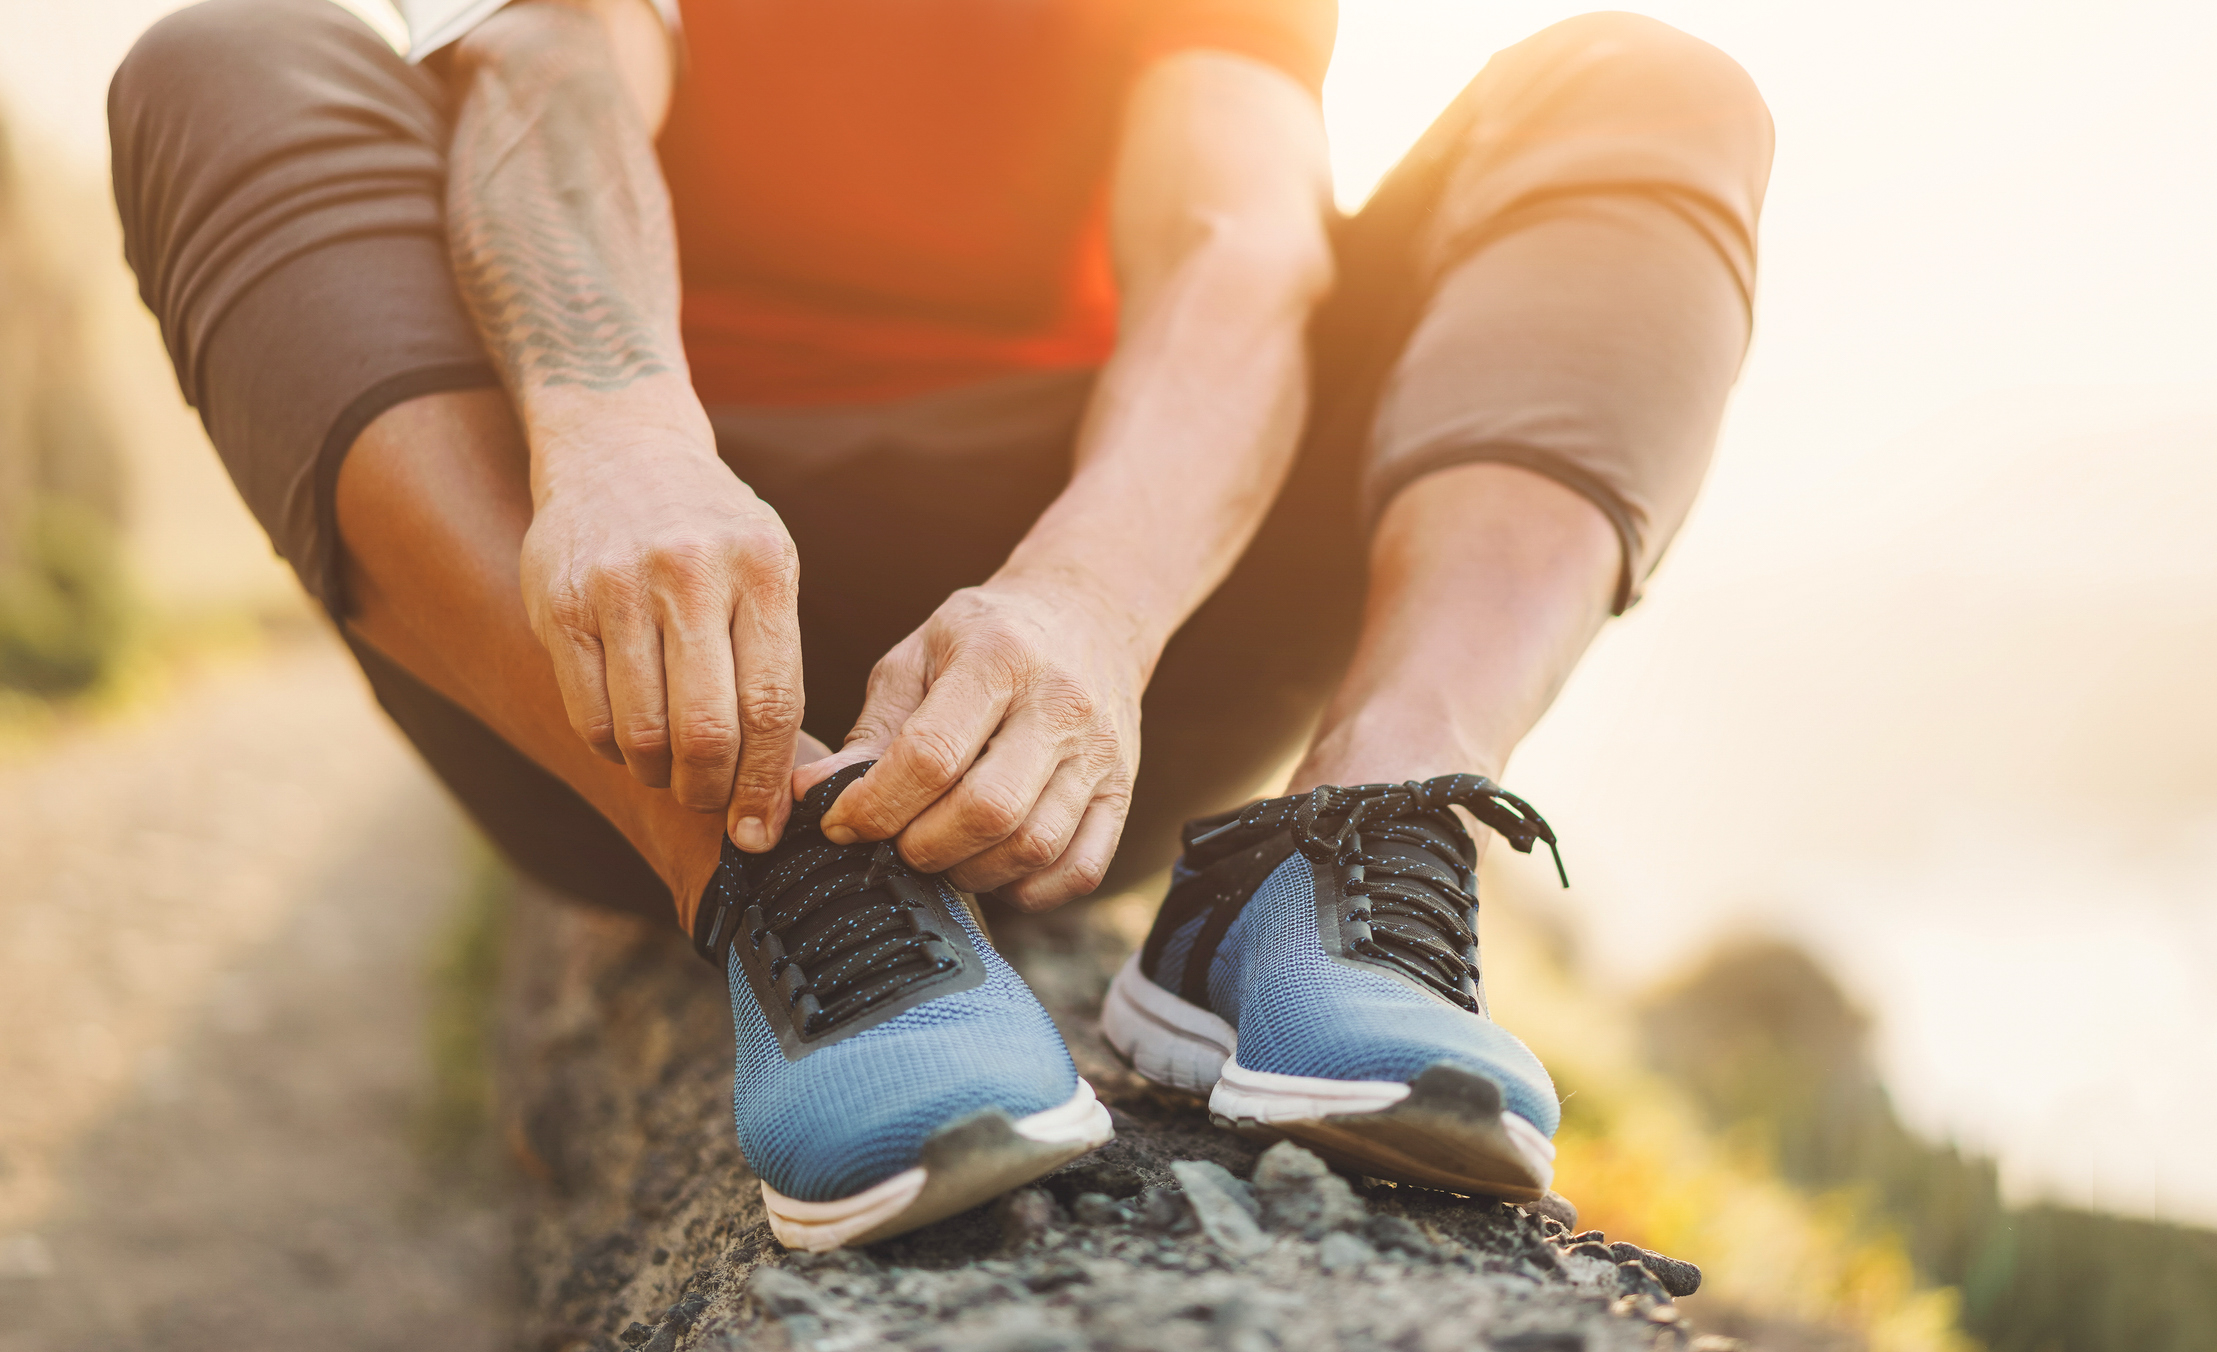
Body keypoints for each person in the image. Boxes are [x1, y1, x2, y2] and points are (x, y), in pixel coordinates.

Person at [109, 0, 1771, 1250]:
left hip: (1106, 650)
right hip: (617, 636)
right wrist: (617, 438)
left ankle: (1350, 828)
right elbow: (551, 77)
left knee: (1648, 92)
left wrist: (1090, 603)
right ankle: (761, 863)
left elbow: (1233, 242)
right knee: (222, 58)